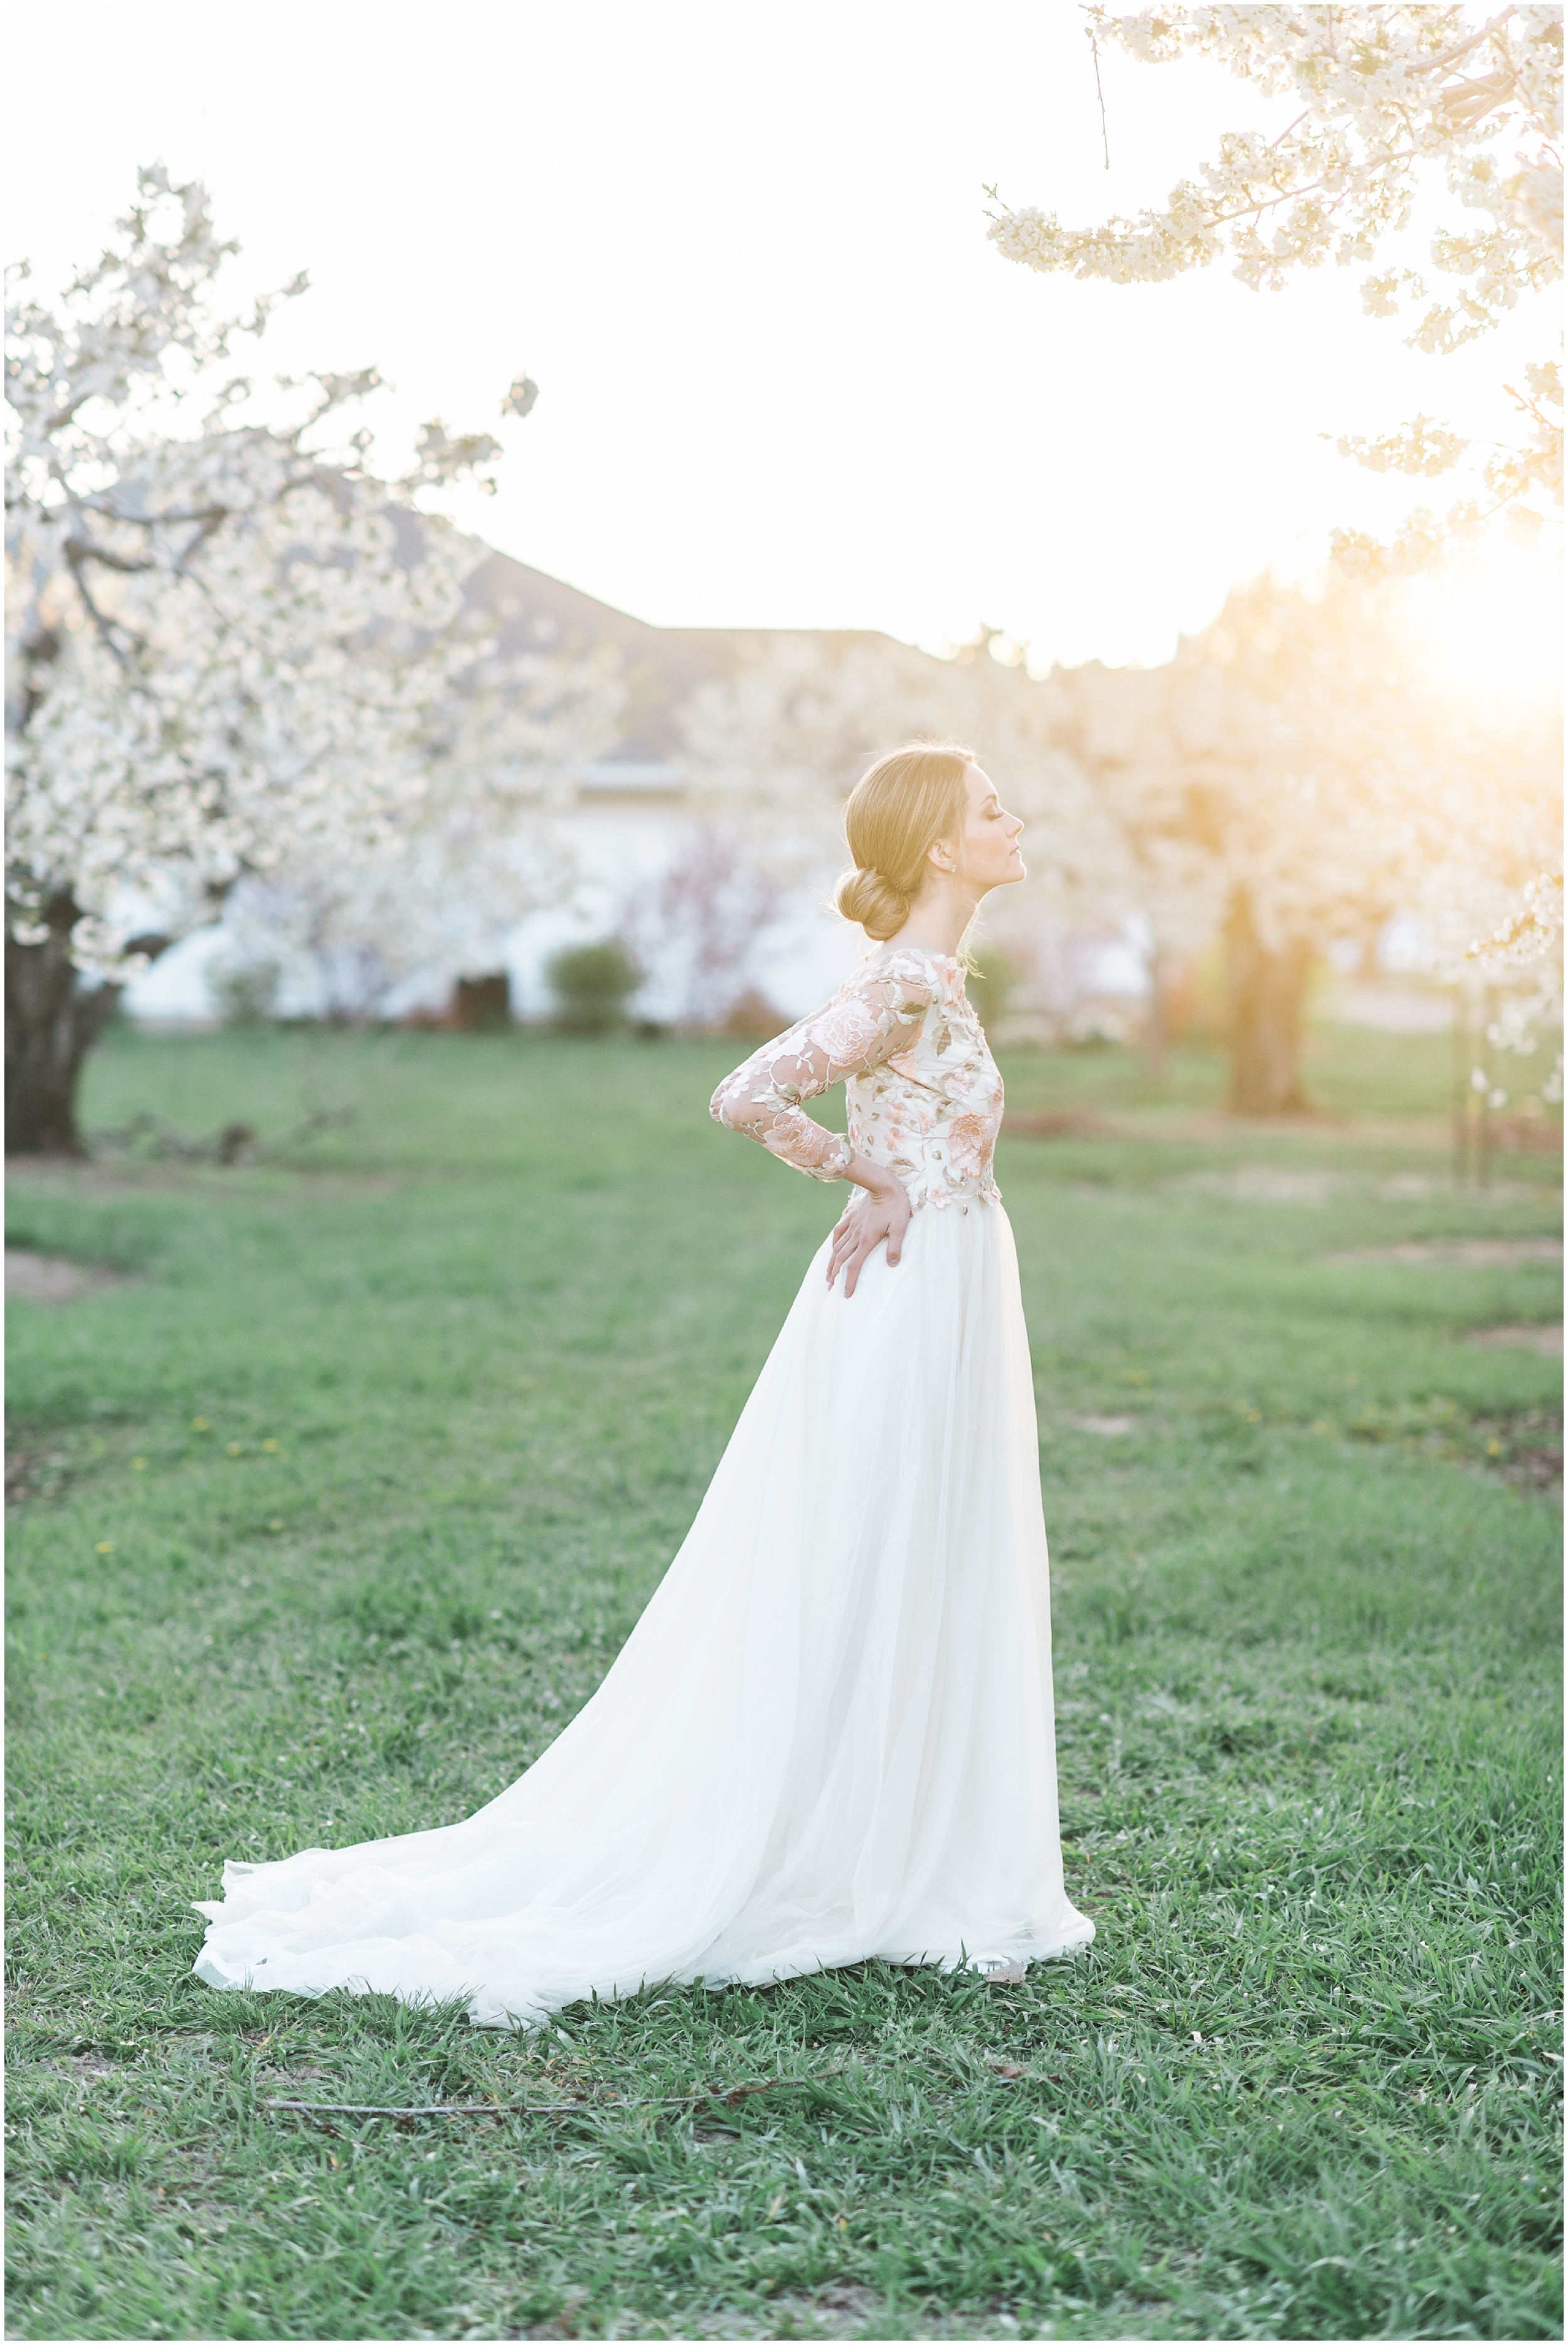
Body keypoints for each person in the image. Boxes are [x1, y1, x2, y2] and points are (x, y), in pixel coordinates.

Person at [193, 740, 1093, 2027]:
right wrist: (861, 1173)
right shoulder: (898, 985)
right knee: (882, 1554)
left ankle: (919, 1851)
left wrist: (893, 1171)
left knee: (931, 1557)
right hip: (909, 1286)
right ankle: (887, 1863)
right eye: (991, 810)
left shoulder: (930, 978)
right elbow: (744, 1088)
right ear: (941, 848)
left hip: (950, 1275)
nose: (1016, 821)